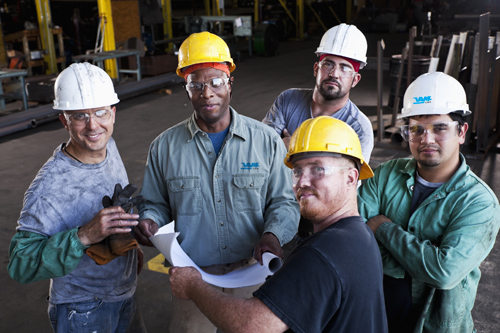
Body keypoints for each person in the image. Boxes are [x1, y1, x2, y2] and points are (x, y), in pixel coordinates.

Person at [134, 31, 300, 332]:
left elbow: (284, 201)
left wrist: (273, 235)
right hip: (194, 279)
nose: (206, 93)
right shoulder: (164, 147)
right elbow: (155, 203)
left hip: (252, 275)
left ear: (230, 84)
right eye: (195, 84)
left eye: (215, 82)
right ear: (186, 89)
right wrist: (149, 220)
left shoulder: (266, 142)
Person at [168, 116, 388, 332]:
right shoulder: (359, 235)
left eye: (318, 169)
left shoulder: (322, 253)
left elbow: (252, 325)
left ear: (351, 178)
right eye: (297, 171)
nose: (302, 181)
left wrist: (193, 286)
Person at [357, 72, 500, 332]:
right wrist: (425, 253)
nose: (427, 139)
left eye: (440, 128)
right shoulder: (385, 175)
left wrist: (384, 230)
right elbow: (355, 236)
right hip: (377, 315)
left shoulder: (479, 202)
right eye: (416, 129)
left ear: (462, 131)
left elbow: (443, 272)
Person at [7, 62, 144, 332]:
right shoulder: (48, 188)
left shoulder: (109, 146)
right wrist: (83, 235)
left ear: (113, 113)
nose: (93, 126)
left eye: (101, 112)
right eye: (79, 116)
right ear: (64, 120)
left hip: (124, 292)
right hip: (83, 308)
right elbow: (20, 264)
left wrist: (133, 245)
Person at [262, 23, 374, 164]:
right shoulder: (288, 100)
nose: (334, 74)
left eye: (345, 68)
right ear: (316, 69)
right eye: (328, 64)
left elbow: (348, 182)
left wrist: (294, 149)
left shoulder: (359, 128)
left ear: (355, 80)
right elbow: (261, 150)